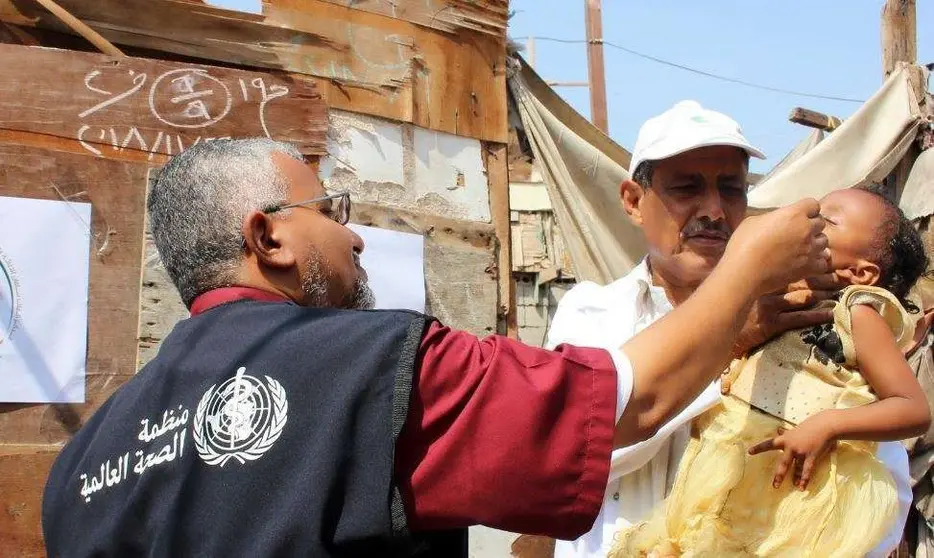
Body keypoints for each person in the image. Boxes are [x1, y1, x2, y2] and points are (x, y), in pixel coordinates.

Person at [41, 138, 828, 557]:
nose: (353, 233)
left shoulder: (81, 467)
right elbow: (629, 398)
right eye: (331, 208)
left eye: (729, 190)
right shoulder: (369, 364)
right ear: (268, 236)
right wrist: (752, 267)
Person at [546, 101, 913, 558]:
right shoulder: (591, 313)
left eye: (732, 190)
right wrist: (733, 343)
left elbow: (882, 486)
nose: (715, 212)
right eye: (687, 188)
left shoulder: (808, 319)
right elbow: (568, 458)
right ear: (634, 202)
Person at [610, 186, 931, 557]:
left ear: (859, 272)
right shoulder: (769, 304)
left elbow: (911, 408)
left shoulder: (857, 315)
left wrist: (827, 425)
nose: (806, 222)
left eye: (826, 220)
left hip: (794, 492)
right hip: (727, 471)